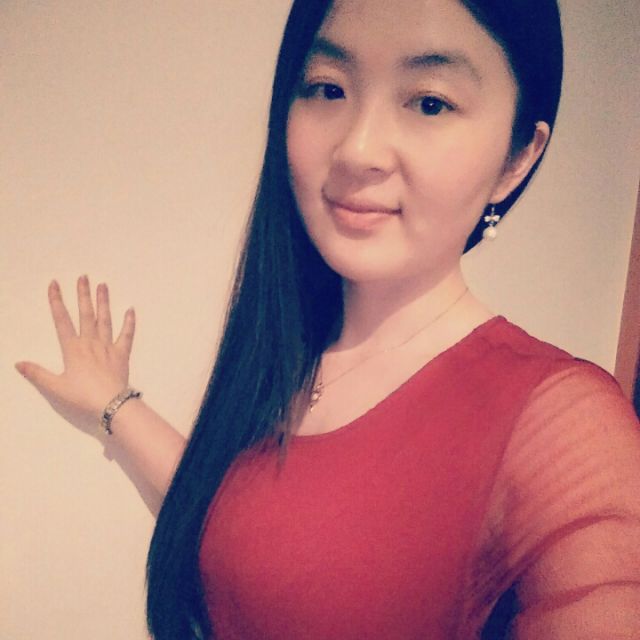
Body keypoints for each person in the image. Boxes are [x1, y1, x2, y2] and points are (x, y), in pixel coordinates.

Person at [15, 0, 640, 638]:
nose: (357, 149)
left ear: (516, 158)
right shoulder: (292, 355)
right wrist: (113, 406)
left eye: (429, 102)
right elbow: (240, 542)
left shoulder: (564, 426)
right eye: (327, 89)